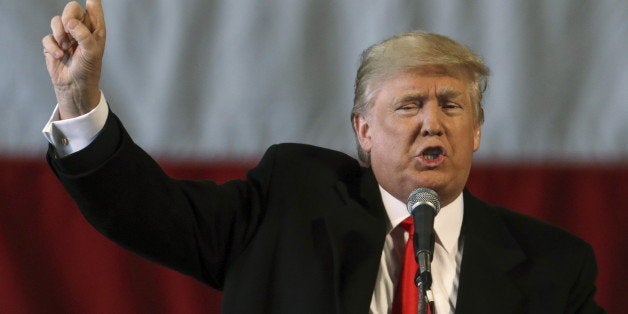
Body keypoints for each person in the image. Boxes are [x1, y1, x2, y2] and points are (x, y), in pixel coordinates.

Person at [42, 1, 604, 313]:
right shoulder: (288, 202)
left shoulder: (553, 268)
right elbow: (145, 210)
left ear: (477, 129)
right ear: (363, 130)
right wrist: (79, 101)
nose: (433, 121)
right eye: (409, 105)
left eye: (452, 105)